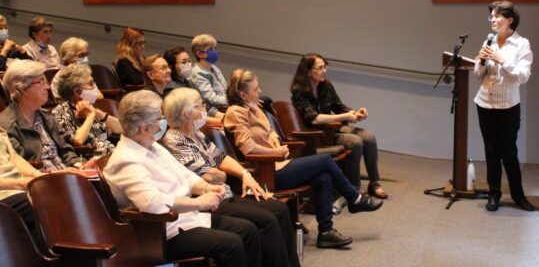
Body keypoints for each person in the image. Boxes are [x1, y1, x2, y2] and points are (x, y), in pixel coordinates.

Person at [224, 69, 383, 249]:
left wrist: (276, 142)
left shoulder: (254, 106)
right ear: (243, 95)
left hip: (278, 162)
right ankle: (355, 199)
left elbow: (270, 131)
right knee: (325, 161)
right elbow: (248, 148)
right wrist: (275, 152)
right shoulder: (235, 112)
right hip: (266, 172)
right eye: (255, 89)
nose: (260, 91)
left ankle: (326, 233)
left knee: (324, 177)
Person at [103, 90, 261, 267]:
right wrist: (199, 203)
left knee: (247, 230)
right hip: (162, 233)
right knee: (230, 244)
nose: (163, 122)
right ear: (145, 128)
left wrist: (206, 188)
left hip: (187, 219)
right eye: (159, 118)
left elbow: (185, 175)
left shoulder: (153, 146)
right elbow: (153, 203)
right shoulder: (126, 159)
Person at [162, 87, 300, 267]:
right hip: (208, 203)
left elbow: (221, 159)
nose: (204, 109)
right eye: (200, 106)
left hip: (224, 194)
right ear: (187, 113)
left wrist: (244, 174)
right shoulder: (175, 141)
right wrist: (221, 174)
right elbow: (211, 177)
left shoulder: (196, 134)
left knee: (278, 209)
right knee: (267, 220)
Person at [291, 53, 388, 200]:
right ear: (308, 71)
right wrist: (345, 117)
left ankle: (374, 183)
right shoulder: (299, 91)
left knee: (369, 137)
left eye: (325, 67)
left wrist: (356, 113)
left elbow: (339, 107)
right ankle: (354, 188)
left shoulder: (326, 86)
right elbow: (314, 119)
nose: (324, 70)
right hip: (317, 135)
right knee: (355, 142)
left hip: (332, 128)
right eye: (320, 68)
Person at [474, 1, 534, 212]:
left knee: (509, 151)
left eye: (496, 16)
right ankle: (494, 194)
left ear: (510, 20)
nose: (492, 19)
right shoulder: (488, 41)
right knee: (491, 150)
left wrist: (502, 60)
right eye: (491, 16)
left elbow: (523, 76)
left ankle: (518, 195)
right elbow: (478, 75)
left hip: (508, 106)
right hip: (484, 103)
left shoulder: (522, 44)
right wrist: (480, 61)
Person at [0, 60, 93, 170]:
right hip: (40, 178)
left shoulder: (48, 117)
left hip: (67, 175)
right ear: (23, 88)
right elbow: (21, 168)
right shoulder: (6, 125)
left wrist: (81, 165)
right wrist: (59, 174)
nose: (47, 87)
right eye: (41, 81)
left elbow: (67, 152)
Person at [52, 64, 121, 158]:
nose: (95, 87)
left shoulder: (92, 108)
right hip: (93, 160)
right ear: (77, 92)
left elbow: (122, 129)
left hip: (114, 155)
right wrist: (90, 116)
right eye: (91, 84)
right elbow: (78, 141)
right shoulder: (60, 112)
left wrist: (98, 113)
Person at [0, 127, 44, 240]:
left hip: (18, 189)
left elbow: (14, 158)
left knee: (60, 190)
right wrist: (20, 183)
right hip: (4, 193)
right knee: (41, 203)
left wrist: (39, 176)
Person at [163, 46, 225, 122]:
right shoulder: (171, 89)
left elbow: (205, 105)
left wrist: (224, 117)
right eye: (184, 62)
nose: (188, 64)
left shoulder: (190, 83)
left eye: (189, 61)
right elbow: (190, 116)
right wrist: (222, 121)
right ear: (171, 67)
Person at [189, 34, 228, 111]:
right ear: (200, 54)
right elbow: (211, 98)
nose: (214, 52)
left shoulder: (214, 68)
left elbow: (225, 88)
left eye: (215, 48)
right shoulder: (197, 73)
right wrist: (232, 101)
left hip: (225, 106)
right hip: (214, 110)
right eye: (210, 49)